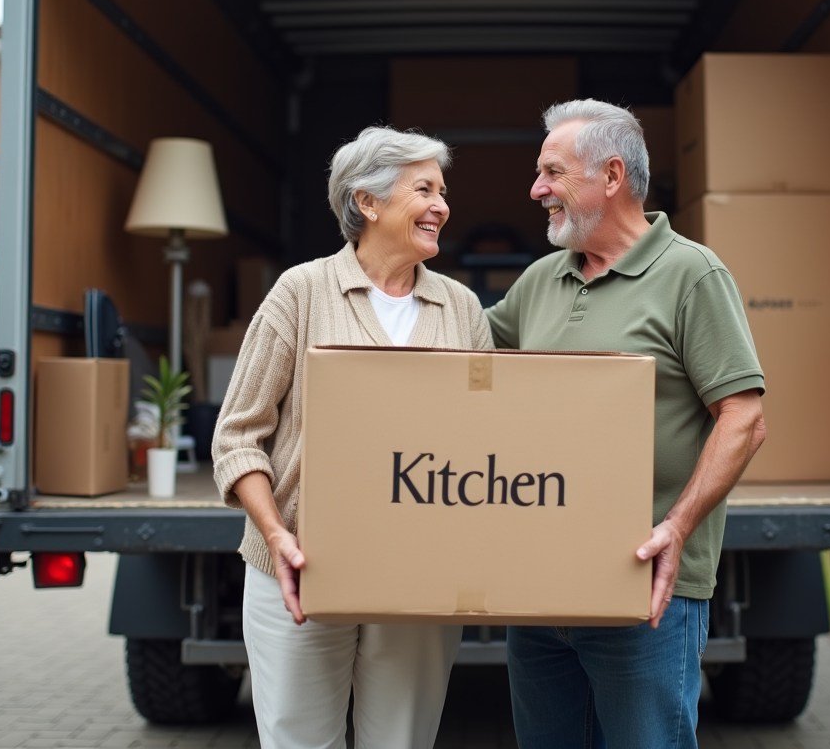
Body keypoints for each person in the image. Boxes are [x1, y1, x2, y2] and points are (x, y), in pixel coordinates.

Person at [485, 100, 767, 749]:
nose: (536, 190)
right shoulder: (539, 282)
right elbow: (457, 354)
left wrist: (677, 527)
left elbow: (744, 418)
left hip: (645, 593)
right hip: (539, 589)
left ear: (611, 177)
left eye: (551, 172)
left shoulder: (692, 275)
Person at [212, 125, 493, 749]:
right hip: (305, 571)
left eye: (443, 190)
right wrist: (278, 537)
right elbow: (237, 437)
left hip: (421, 576)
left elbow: (486, 445)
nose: (442, 205)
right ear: (366, 201)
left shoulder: (463, 308)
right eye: (424, 189)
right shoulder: (302, 292)